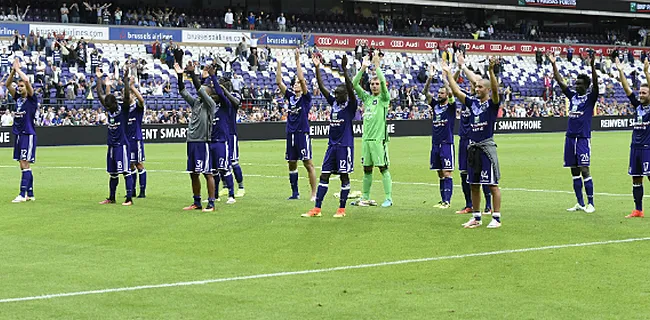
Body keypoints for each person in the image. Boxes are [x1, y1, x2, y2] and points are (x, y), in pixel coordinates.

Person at [443, 57, 502, 229]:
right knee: (473, 184)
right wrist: (448, 74)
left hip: (486, 148)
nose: (476, 88)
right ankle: (476, 217)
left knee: (492, 185)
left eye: (480, 86)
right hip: (472, 149)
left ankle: (496, 218)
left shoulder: (492, 104)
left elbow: (497, 90)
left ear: (488, 90)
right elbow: (456, 91)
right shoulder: (472, 103)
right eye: (476, 86)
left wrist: (490, 71)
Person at [302, 54, 357, 218]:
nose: (335, 94)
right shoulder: (334, 102)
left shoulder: (351, 105)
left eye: (338, 93)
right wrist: (317, 67)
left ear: (345, 94)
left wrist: (345, 70)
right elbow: (321, 85)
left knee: (344, 176)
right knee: (324, 175)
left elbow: (350, 88)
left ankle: (341, 209)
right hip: (331, 146)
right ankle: (317, 209)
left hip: (344, 146)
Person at [549, 53, 598, 213]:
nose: (576, 86)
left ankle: (591, 203)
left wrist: (592, 66)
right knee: (574, 171)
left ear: (586, 86)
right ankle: (580, 203)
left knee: (585, 169)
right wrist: (553, 64)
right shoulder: (573, 97)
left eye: (580, 84)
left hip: (583, 139)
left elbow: (596, 84)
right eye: (576, 83)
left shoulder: (590, 98)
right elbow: (559, 80)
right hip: (570, 138)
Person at [351, 54, 393, 208]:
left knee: (383, 168)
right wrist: (363, 68)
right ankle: (365, 197)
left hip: (378, 140)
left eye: (377, 84)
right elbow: (354, 84)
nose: (375, 86)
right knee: (366, 169)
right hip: (366, 140)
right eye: (372, 84)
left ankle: (388, 198)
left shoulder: (384, 98)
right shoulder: (367, 99)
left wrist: (376, 66)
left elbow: (383, 81)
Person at [275, 49, 317, 200]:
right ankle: (295, 193)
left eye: (299, 83)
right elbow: (279, 82)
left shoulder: (306, 98)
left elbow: (303, 80)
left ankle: (313, 193)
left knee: (308, 163)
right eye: (295, 83)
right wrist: (279, 63)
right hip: (290, 134)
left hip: (302, 133)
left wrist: (297, 61)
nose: (297, 85)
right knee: (292, 164)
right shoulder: (291, 97)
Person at [174, 62, 217, 212]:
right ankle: (197, 201)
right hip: (191, 141)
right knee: (193, 173)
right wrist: (180, 76)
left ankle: (211, 203)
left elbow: (200, 89)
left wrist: (192, 74)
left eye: (203, 91)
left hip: (202, 142)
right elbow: (183, 92)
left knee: (207, 172)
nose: (200, 92)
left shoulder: (210, 105)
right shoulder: (196, 104)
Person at [455, 53, 493, 215]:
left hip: (476, 140)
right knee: (464, 173)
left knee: (482, 173)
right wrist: (457, 69)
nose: (475, 85)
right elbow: (451, 87)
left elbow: (475, 79)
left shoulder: (479, 101)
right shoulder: (467, 99)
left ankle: (488, 204)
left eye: (478, 84)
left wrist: (463, 66)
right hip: (463, 140)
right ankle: (469, 204)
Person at [96, 67, 135, 206]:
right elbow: (100, 93)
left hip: (122, 145)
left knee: (125, 171)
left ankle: (129, 198)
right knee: (113, 173)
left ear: (114, 104)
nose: (107, 109)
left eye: (108, 106)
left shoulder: (122, 108)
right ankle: (111, 197)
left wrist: (125, 80)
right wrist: (99, 78)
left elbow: (126, 96)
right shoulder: (109, 107)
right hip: (111, 145)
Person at [617, 58, 650, 218]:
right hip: (635, 148)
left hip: (647, 148)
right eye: (640, 93)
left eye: (644, 93)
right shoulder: (638, 106)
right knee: (636, 179)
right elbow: (626, 88)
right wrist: (620, 71)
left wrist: (646, 72)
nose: (641, 95)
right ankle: (638, 210)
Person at [422, 63, 456, 209]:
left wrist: (444, 79)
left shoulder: (451, 107)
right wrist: (430, 77)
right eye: (439, 93)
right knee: (439, 173)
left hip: (446, 143)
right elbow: (425, 92)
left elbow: (451, 92)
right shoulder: (435, 105)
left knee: (447, 172)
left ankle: (447, 201)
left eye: (442, 93)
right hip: (435, 144)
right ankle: (443, 200)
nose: (439, 94)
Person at [204, 64, 236, 204]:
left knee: (224, 168)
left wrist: (213, 76)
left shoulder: (225, 104)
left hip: (222, 141)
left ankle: (231, 195)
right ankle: (215, 195)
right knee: (213, 170)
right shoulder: (210, 106)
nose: (214, 94)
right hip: (210, 140)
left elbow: (219, 92)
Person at [6, 58, 37, 203]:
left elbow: (27, 81)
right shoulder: (17, 98)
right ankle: (30, 193)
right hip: (19, 134)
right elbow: (7, 84)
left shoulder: (32, 99)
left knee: (24, 163)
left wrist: (18, 69)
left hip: (28, 134)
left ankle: (22, 193)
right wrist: (13, 71)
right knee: (23, 164)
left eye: (21, 86)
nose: (19, 88)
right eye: (18, 86)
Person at [125, 76, 147, 198]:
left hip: (136, 140)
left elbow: (142, 100)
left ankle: (142, 191)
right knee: (130, 165)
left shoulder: (137, 109)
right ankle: (132, 190)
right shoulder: (125, 110)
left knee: (139, 164)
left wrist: (132, 87)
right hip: (127, 141)